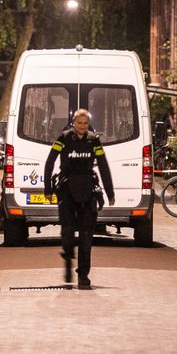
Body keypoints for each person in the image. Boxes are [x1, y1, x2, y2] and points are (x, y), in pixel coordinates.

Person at [44, 109, 114, 289]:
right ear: (73, 122)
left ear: (88, 124)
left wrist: (109, 192)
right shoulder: (64, 139)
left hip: (87, 191)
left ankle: (83, 276)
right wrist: (47, 188)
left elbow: (104, 166)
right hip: (67, 190)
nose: (82, 126)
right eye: (79, 123)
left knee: (86, 237)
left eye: (85, 123)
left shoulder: (94, 140)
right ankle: (68, 259)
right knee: (67, 233)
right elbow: (50, 162)